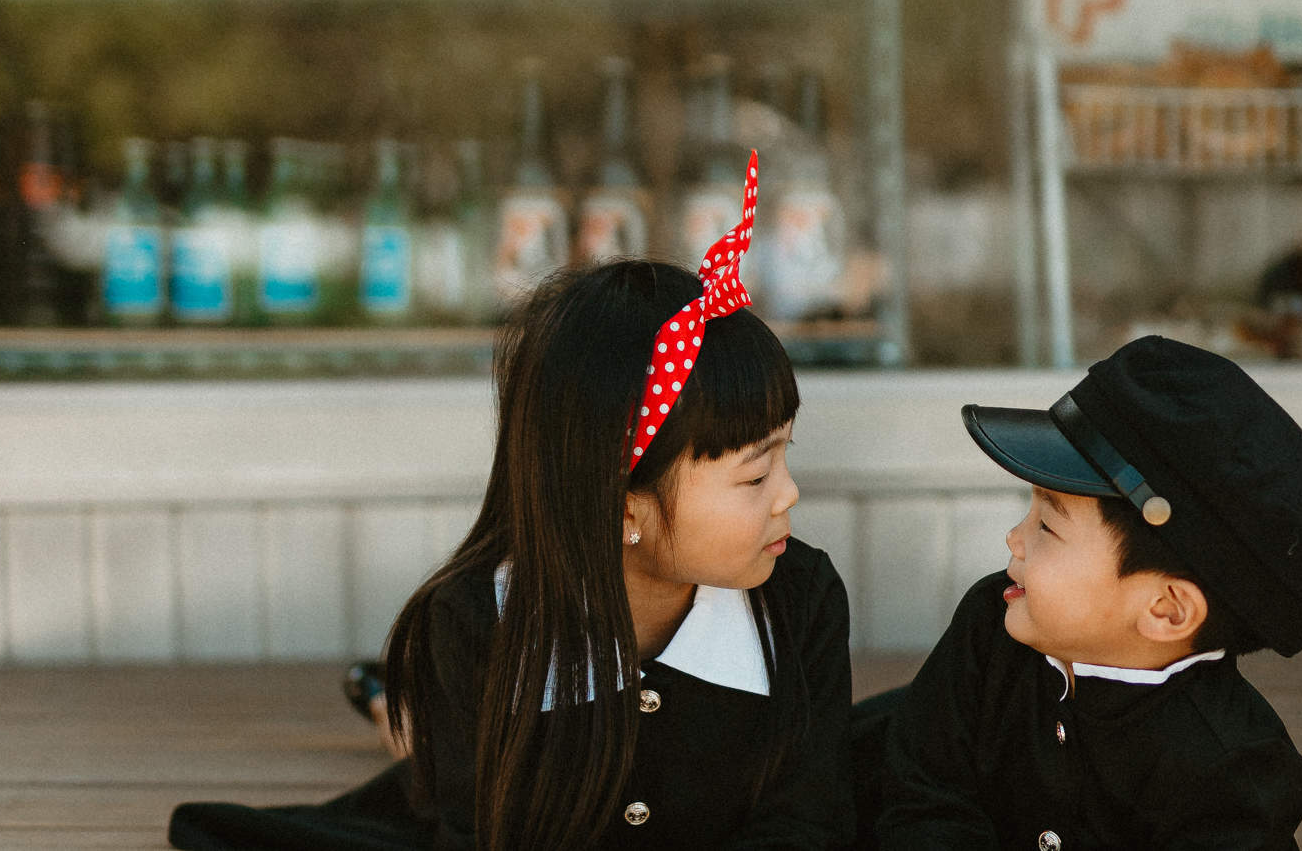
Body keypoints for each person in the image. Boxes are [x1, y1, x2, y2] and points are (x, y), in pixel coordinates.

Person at [170, 153, 856, 850]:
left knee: (885, 734)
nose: (789, 494)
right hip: (478, 758)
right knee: (409, 778)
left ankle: (392, 701)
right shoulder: (477, 625)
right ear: (621, 507)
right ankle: (393, 701)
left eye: (785, 455)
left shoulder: (800, 600)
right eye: (753, 475)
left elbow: (801, 823)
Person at [870, 335, 1302, 850]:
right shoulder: (992, 625)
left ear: (1166, 610)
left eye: (1048, 527)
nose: (1014, 538)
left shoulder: (1229, 772)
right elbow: (923, 796)